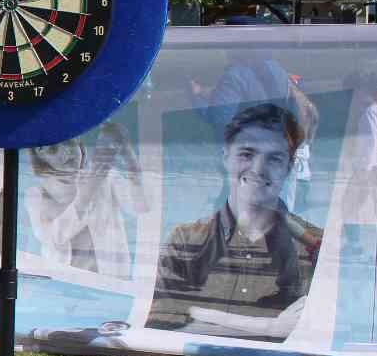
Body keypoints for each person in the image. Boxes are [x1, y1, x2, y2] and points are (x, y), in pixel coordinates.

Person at [146, 103, 323, 342]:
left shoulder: (319, 248)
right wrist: (268, 328)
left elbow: (326, 333)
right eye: (247, 154)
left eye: (274, 158)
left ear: (288, 168)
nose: (258, 169)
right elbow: (159, 326)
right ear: (225, 158)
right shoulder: (185, 240)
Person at [26, 122, 147, 281]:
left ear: (79, 143)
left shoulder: (107, 177)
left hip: (112, 283)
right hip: (64, 287)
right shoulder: (37, 194)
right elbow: (52, 238)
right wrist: (87, 193)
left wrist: (128, 156)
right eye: (52, 149)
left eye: (69, 142)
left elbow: (140, 208)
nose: (66, 153)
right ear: (41, 159)